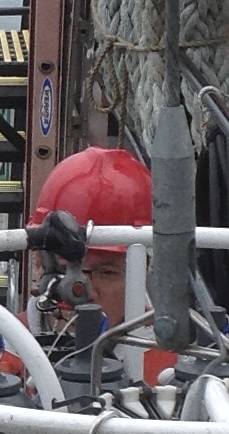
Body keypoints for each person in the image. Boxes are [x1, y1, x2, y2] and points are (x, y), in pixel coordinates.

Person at [29, 144, 153, 337]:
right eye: (66, 269)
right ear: (38, 263)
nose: (84, 291)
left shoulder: (181, 358)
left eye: (106, 273)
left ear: (143, 271)